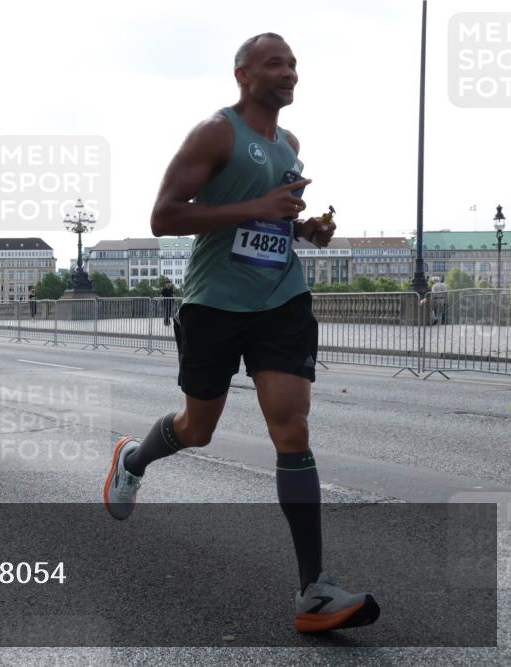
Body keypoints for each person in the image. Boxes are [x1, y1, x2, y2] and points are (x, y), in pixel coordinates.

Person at [102, 33, 378, 634]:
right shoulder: (216, 132)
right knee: (196, 429)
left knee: (292, 426)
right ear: (243, 75)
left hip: (281, 300)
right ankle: (134, 457)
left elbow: (276, 218)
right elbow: (164, 216)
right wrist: (257, 207)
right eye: (275, 64)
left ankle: (314, 592)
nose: (290, 73)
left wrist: (305, 230)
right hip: (214, 305)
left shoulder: (290, 144)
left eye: (294, 64)